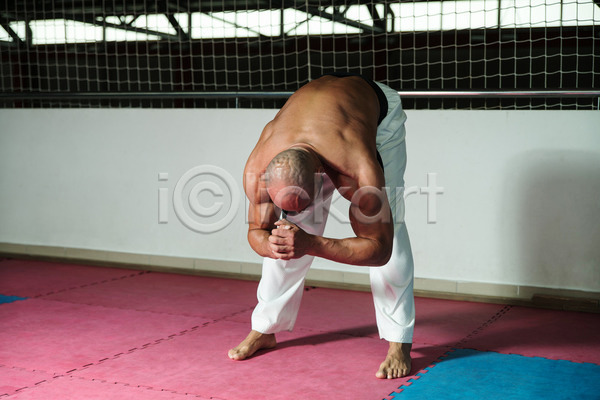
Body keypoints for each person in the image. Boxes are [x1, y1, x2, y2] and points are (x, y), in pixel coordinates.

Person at [228, 72, 415, 379]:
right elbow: (255, 232)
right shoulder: (258, 169)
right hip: (322, 117)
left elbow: (380, 249)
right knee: (286, 233)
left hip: (378, 112)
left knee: (391, 223)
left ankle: (399, 342)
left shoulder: (359, 170)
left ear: (321, 175)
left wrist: (312, 244)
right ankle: (265, 327)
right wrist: (273, 244)